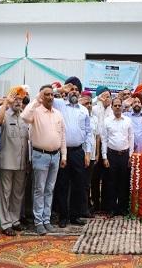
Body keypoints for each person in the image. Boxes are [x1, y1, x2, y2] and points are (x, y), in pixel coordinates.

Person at [21, 85, 66, 236]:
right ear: (41, 96)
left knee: (49, 189)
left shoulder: (58, 113)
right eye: (46, 94)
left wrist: (64, 155)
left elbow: (62, 136)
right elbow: (24, 117)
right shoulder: (36, 111)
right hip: (40, 155)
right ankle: (38, 222)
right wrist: (36, 100)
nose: (50, 97)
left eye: (52, 94)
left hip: (56, 155)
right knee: (39, 189)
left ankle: (46, 220)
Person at [52, 77, 92, 228]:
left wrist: (87, 153)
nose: (74, 91)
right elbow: (45, 94)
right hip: (62, 152)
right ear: (67, 91)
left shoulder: (83, 110)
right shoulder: (59, 105)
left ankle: (75, 216)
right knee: (62, 185)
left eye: (77, 89)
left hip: (78, 152)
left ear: (80, 93)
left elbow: (88, 133)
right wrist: (61, 89)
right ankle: (63, 216)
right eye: (72, 89)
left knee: (78, 185)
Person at [0, 87, 29, 236]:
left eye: (20, 99)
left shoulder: (24, 116)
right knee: (5, 193)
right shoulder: (4, 114)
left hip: (22, 162)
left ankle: (15, 221)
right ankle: (5, 223)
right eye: (15, 99)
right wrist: (5, 104)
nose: (18, 102)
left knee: (18, 193)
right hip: (7, 162)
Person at [101, 98, 134, 216]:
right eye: (115, 105)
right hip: (111, 155)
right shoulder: (107, 121)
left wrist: (131, 155)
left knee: (124, 182)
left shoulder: (128, 121)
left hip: (125, 155)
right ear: (112, 107)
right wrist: (104, 157)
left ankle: (123, 208)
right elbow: (104, 140)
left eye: (120, 105)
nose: (118, 107)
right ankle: (111, 208)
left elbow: (131, 138)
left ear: (122, 107)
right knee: (111, 182)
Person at [91, 86, 112, 212]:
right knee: (94, 178)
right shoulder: (94, 109)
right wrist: (96, 99)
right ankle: (95, 203)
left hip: (109, 148)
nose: (107, 98)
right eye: (104, 96)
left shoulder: (112, 111)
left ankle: (105, 204)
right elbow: (85, 106)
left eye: (108, 96)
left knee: (107, 178)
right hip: (95, 147)